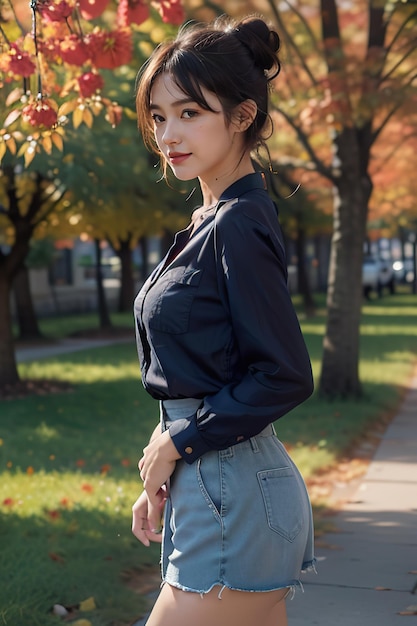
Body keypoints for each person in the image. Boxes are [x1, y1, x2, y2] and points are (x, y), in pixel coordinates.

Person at [131, 14, 315, 626]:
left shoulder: (237, 223)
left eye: (189, 113)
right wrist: (166, 462)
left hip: (232, 498)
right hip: (213, 488)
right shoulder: (214, 221)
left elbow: (284, 374)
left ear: (241, 117)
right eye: (158, 116)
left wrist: (178, 441)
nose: (168, 134)